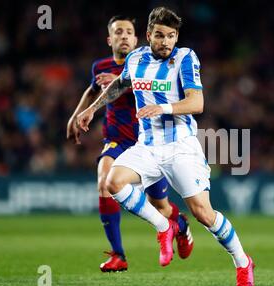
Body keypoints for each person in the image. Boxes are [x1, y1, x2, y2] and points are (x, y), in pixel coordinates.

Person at [77, 7, 254, 286]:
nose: (166, 42)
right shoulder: (135, 58)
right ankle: (164, 227)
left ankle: (243, 263)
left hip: (181, 147)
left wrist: (164, 107)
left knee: (204, 214)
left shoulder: (184, 58)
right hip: (147, 146)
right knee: (111, 182)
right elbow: (120, 86)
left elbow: (197, 103)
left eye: (171, 36)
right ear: (148, 36)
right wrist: (91, 109)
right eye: (160, 36)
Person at [67, 15, 194, 273]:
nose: (124, 36)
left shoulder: (147, 63)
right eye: (118, 32)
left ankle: (179, 225)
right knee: (104, 181)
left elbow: (136, 85)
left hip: (148, 143)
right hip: (116, 138)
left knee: (160, 205)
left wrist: (116, 83)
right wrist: (77, 114)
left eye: (128, 32)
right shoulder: (100, 66)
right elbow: (92, 90)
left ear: (138, 39)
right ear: (110, 39)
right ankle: (118, 255)